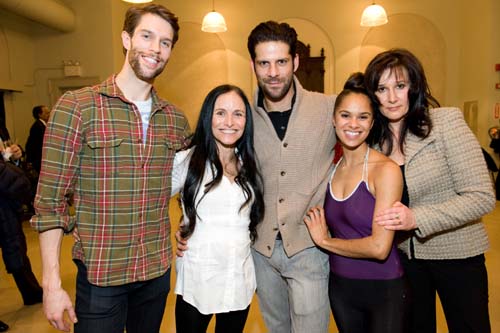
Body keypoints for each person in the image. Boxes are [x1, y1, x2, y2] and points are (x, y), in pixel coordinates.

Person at [30, 4, 190, 333]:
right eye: (147, 36)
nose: (156, 49)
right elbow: (50, 203)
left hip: (156, 273)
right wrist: (51, 285)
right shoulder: (77, 107)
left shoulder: (175, 120)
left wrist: (189, 222)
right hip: (101, 277)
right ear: (126, 38)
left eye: (165, 42)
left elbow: (186, 181)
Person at [365, 48, 495, 333]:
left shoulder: (446, 123)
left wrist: (417, 219)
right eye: (382, 89)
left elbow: (482, 197)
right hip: (404, 261)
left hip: (458, 255)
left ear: (414, 85)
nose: (391, 97)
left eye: (400, 86)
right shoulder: (373, 143)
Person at [248, 21, 336, 332]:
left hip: (309, 248)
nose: (273, 72)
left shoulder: (329, 108)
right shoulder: (242, 115)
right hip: (261, 250)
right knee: (276, 328)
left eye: (281, 61)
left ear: (295, 61)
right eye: (264, 63)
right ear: (253, 65)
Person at [303, 73, 407, 333]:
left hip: (383, 289)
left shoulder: (385, 170)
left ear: (372, 123)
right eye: (345, 115)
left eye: (363, 117)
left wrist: (325, 241)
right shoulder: (331, 169)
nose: (354, 124)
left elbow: (379, 246)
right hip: (341, 287)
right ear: (334, 119)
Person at [172, 84, 265, 333]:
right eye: (221, 112)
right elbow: (149, 202)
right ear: (208, 117)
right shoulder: (188, 161)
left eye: (238, 114)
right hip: (199, 279)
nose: (230, 122)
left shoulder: (249, 164)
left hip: (239, 279)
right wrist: (172, 232)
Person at [0, 127, 43, 306]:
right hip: (6, 193)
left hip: (5, 205)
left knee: (15, 248)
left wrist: (13, 158)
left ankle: (31, 292)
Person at [25, 105, 50, 174]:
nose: (49, 115)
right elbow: (32, 144)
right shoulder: (37, 126)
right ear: (40, 115)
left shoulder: (43, 125)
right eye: (47, 113)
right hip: (40, 159)